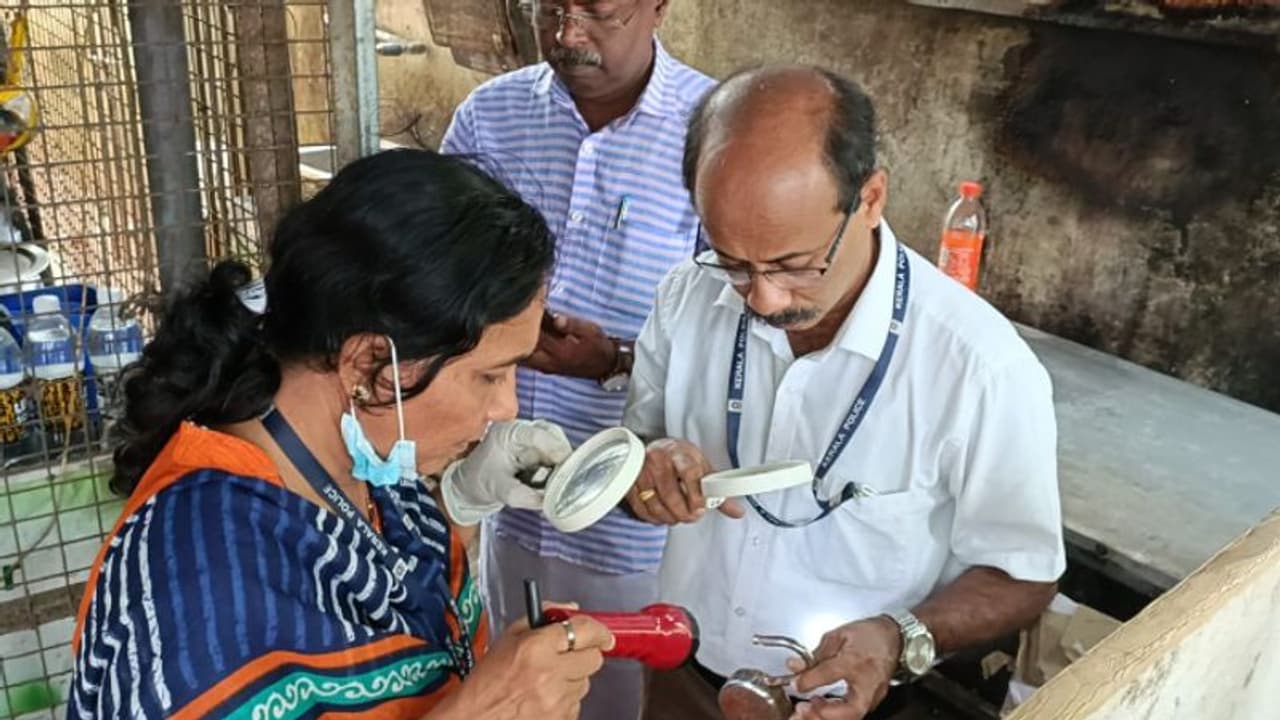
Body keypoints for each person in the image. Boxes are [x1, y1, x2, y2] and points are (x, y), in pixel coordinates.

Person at [69, 149, 614, 719]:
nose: (507, 408)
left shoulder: (373, 467)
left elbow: (395, 585)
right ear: (368, 365)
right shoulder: (196, 588)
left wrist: (463, 500)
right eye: (490, 375)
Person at [623, 66, 1065, 720]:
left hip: (843, 707)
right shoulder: (688, 297)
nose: (765, 300)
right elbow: (636, 450)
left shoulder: (979, 368)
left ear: (871, 197)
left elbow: (1024, 571)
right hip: (685, 681)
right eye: (735, 264)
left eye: (795, 265)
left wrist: (901, 635)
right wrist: (645, 469)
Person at [440, 2, 713, 717]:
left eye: (597, 11)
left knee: (615, 698)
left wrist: (615, 359)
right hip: (498, 500)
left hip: (636, 526)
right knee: (511, 689)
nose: (566, 34)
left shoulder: (715, 135)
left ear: (658, 7)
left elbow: (739, 338)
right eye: (549, 8)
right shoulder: (488, 119)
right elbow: (435, 285)